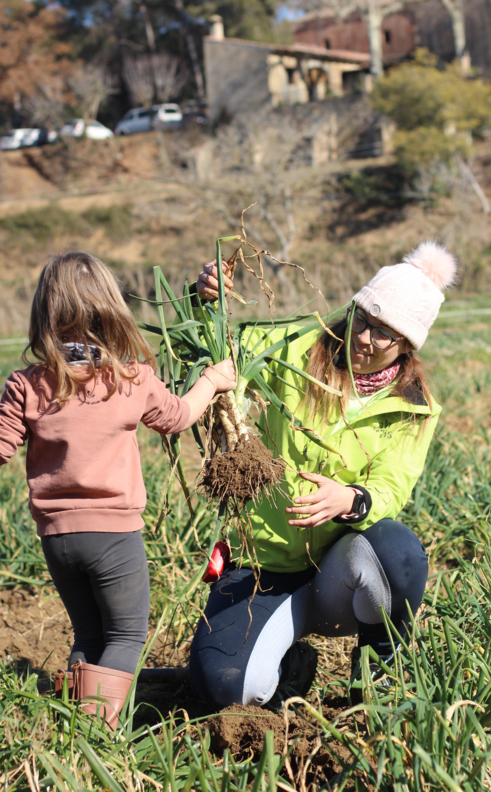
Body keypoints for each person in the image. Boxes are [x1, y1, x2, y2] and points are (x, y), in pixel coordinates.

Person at [0, 252, 236, 727]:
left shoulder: (30, 384)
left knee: (90, 636)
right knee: (127, 634)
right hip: (113, 537)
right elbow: (177, 417)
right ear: (111, 309)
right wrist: (213, 381)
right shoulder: (129, 379)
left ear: (45, 314)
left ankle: (70, 726)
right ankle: (96, 732)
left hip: (57, 540)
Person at [189, 241, 456, 708]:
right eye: (362, 317)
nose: (364, 337)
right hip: (263, 565)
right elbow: (214, 354)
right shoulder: (293, 347)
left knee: (399, 551)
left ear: (407, 345)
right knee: (226, 689)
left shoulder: (415, 407)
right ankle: (290, 666)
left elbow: (393, 484)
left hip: (338, 573)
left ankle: (375, 684)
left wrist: (352, 500)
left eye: (383, 333)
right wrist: (207, 303)